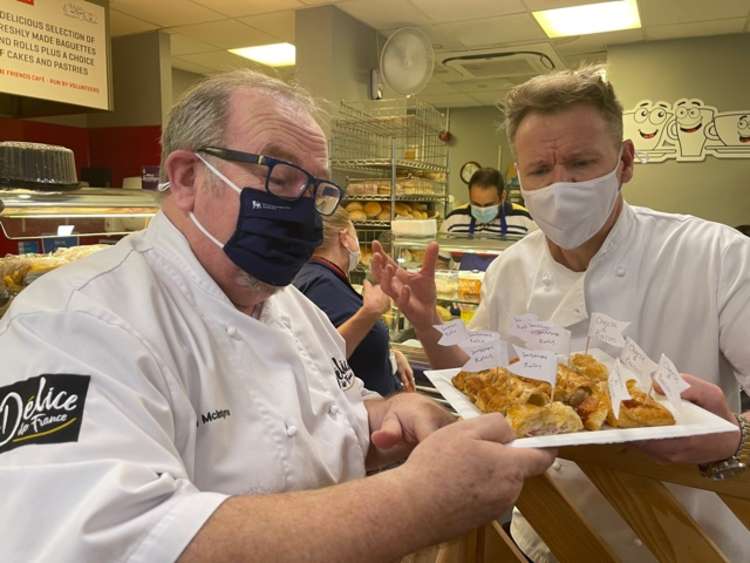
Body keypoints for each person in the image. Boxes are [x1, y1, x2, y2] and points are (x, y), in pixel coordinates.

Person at [0, 69, 556, 562]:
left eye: (316, 191)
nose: (303, 211)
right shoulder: (72, 323)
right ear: (189, 176)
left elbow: (333, 418)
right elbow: (116, 541)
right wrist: (419, 499)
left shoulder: (289, 304)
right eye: (280, 177)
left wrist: (389, 413)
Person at [372, 66, 750, 562]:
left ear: (625, 162)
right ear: (520, 180)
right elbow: (477, 379)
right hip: (547, 534)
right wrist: (427, 323)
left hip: (690, 544)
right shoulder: (510, 269)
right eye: (540, 171)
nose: (561, 185)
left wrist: (735, 439)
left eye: (580, 162)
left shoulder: (716, 256)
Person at [294, 207, 414, 395]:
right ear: (345, 237)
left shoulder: (315, 275)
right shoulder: (323, 285)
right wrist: (371, 312)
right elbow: (322, 356)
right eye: (354, 231)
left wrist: (391, 357)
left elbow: (355, 346)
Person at [440, 167, 536, 270]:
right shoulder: (453, 220)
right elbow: (440, 262)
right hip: (466, 284)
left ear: (502, 197)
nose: (482, 210)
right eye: (476, 204)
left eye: (488, 205)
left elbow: (538, 262)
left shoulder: (525, 220)